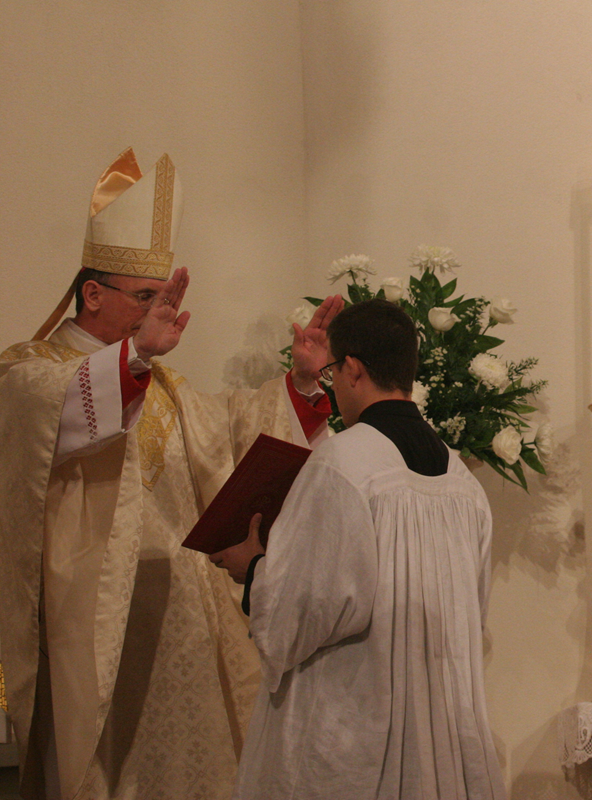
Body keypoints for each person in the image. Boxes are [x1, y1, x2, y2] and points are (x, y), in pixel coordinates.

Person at [0, 147, 342, 799]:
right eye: (145, 297)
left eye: (164, 298)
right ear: (93, 293)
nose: (159, 313)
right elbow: (44, 417)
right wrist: (128, 363)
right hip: (101, 632)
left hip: (187, 625)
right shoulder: (29, 371)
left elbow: (237, 434)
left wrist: (302, 384)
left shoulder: (166, 386)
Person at [211, 299, 507, 800]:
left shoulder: (344, 462)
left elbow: (304, 611)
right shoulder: (461, 480)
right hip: (443, 734)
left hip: (356, 731)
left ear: (351, 369)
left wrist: (254, 569)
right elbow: (471, 610)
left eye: (331, 373)